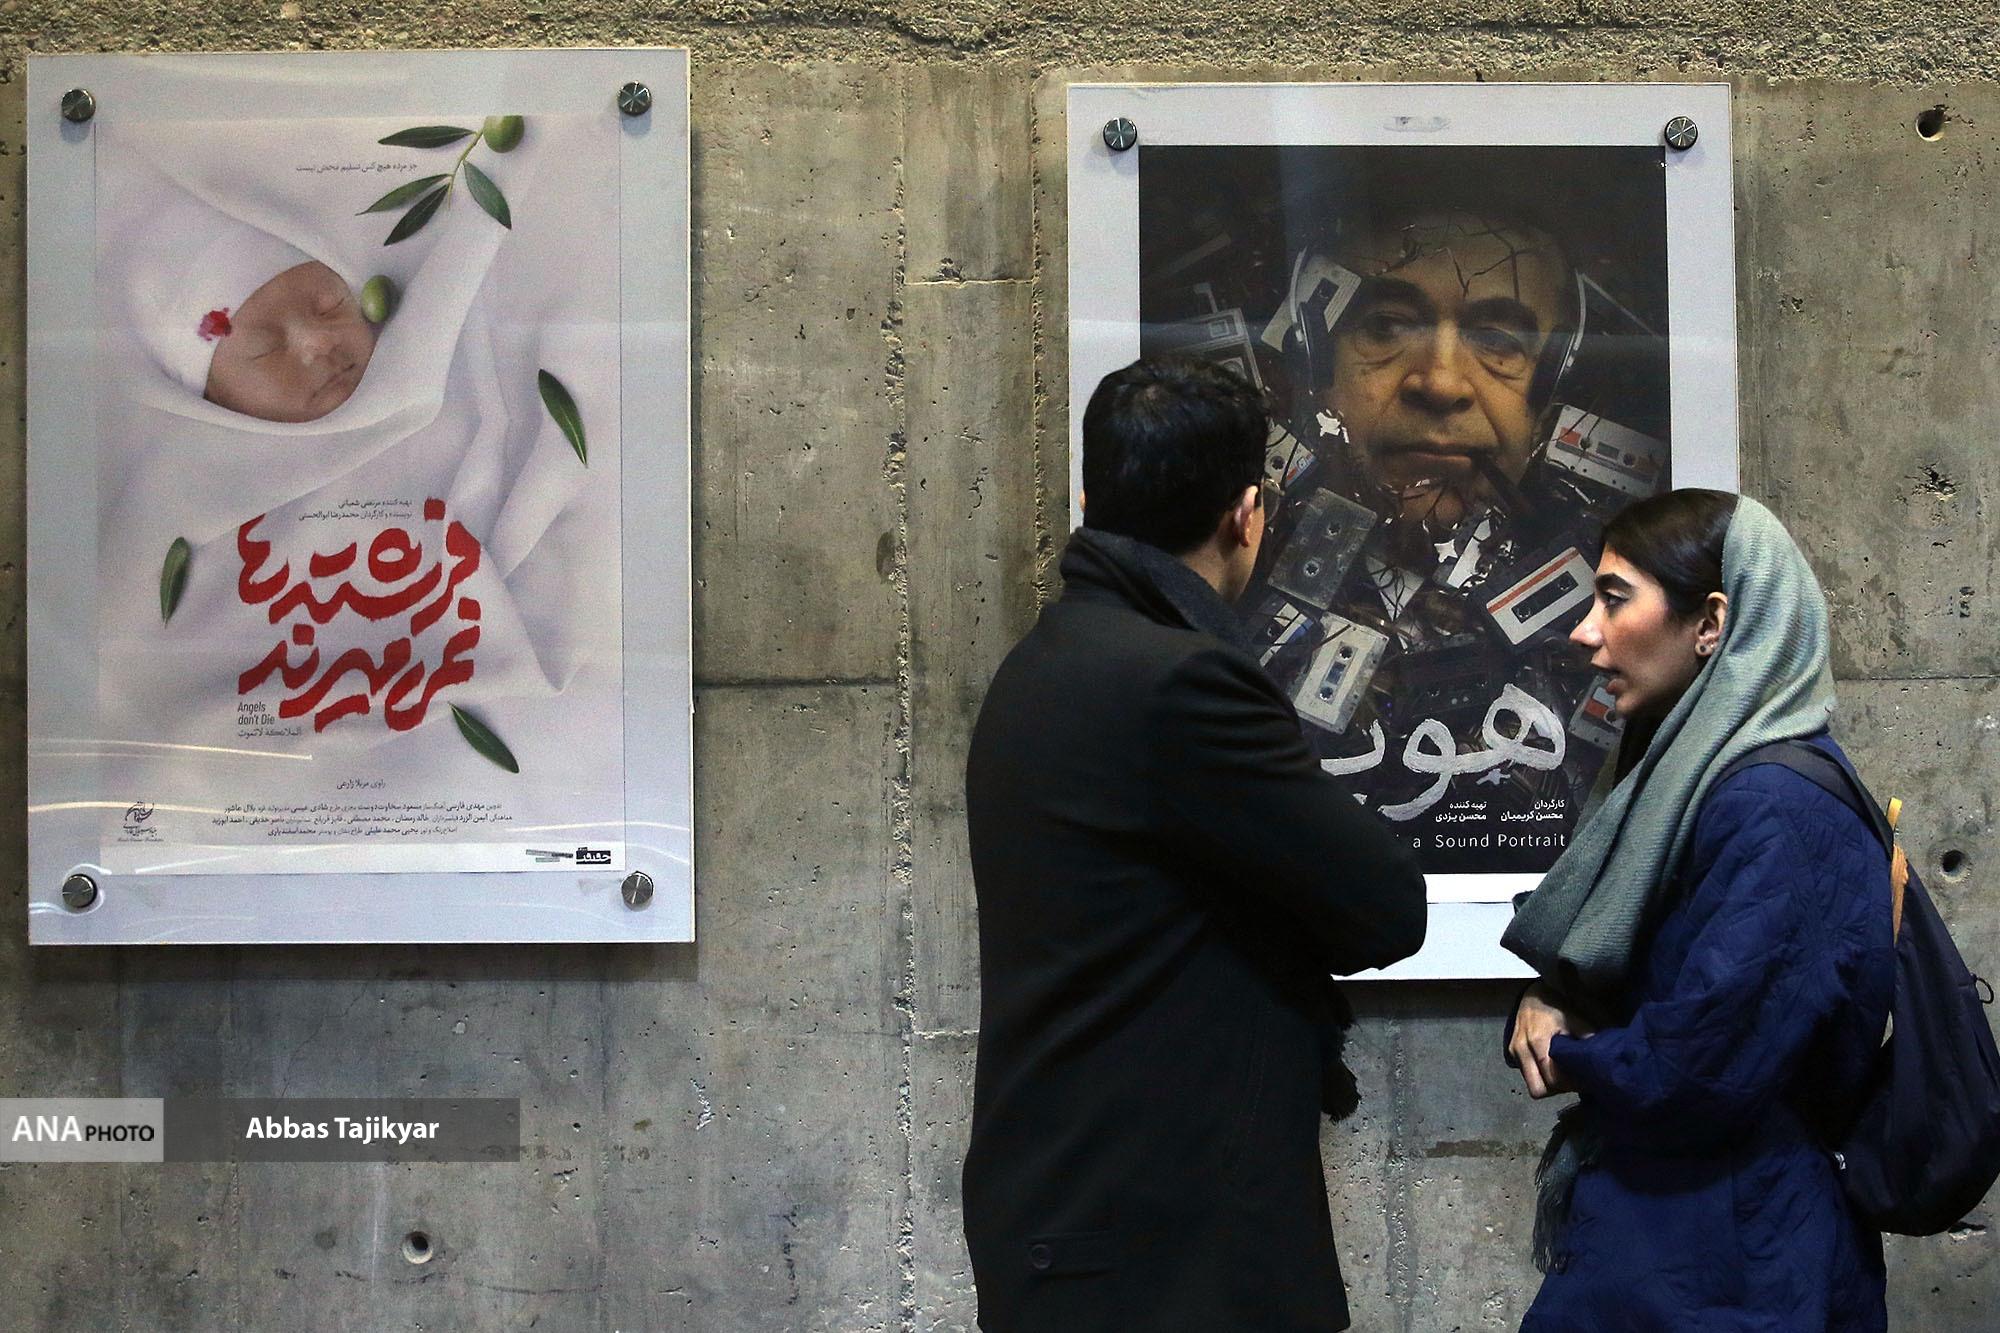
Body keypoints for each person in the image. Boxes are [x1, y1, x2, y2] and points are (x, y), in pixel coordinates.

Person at [961, 355, 1428, 1330]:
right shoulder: (1178, 683)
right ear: (1246, 515)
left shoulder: (1043, 664)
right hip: (1162, 1260)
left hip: (1074, 1228)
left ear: (1088, 500)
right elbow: (1385, 905)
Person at [1499, 488, 1895, 1331]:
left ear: (1711, 623)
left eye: (1615, 599)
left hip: (1731, 1262)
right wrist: (1553, 996)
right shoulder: (1696, 786)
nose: (1585, 632)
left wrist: (1566, 1047)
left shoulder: (1773, 805)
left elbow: (1698, 1064)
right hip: (1684, 1245)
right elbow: (1648, 976)